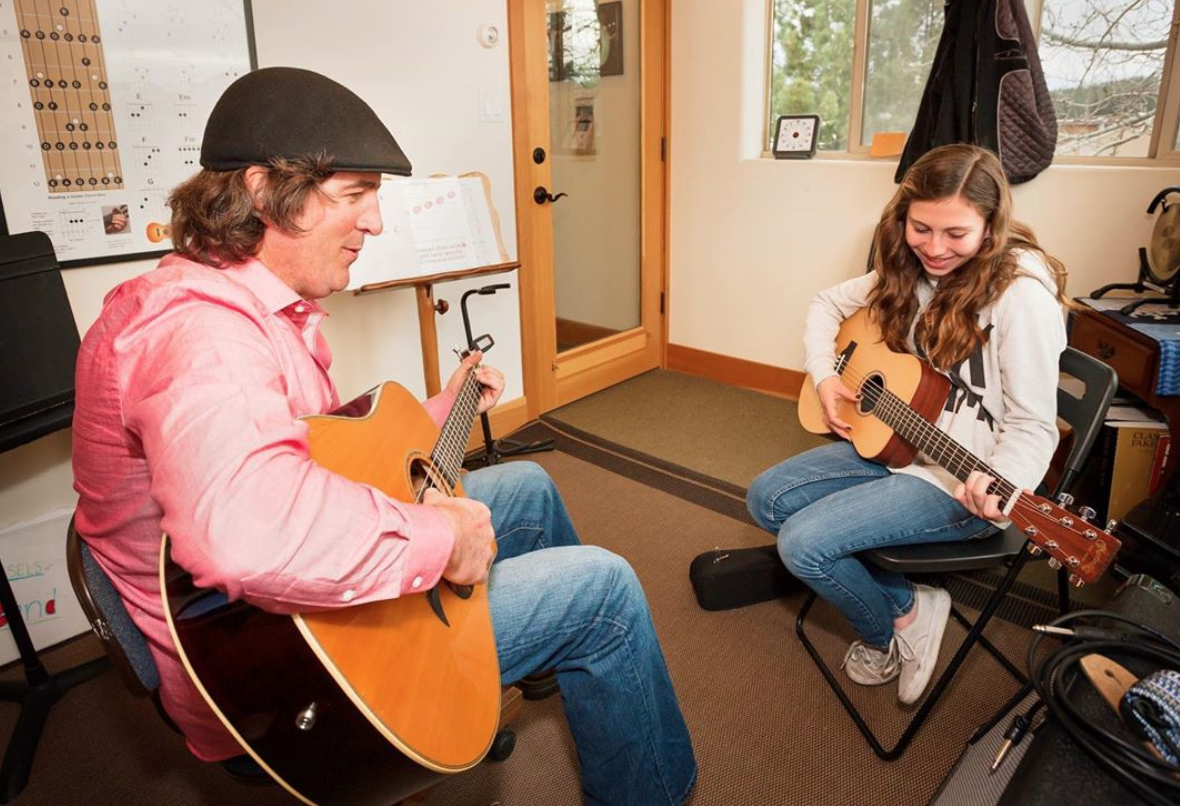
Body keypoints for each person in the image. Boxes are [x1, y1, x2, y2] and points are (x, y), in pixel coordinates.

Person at [71, 67, 695, 806]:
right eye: (354, 195)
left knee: (525, 487)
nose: (375, 222)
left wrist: (443, 407)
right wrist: (441, 542)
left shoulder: (237, 300)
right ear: (266, 191)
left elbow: (327, 456)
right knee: (604, 590)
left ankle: (528, 663)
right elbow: (250, 533)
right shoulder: (200, 337)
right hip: (271, 666)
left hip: (271, 618)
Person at [747, 144, 1069, 705]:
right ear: (904, 215)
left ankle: (893, 627)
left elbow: (1033, 424)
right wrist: (825, 376)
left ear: (991, 228)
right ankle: (911, 601)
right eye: (922, 228)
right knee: (765, 499)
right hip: (899, 442)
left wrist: (1000, 482)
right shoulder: (912, 268)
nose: (936, 249)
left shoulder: (1022, 300)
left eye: (956, 235)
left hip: (959, 479)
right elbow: (825, 303)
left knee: (804, 545)